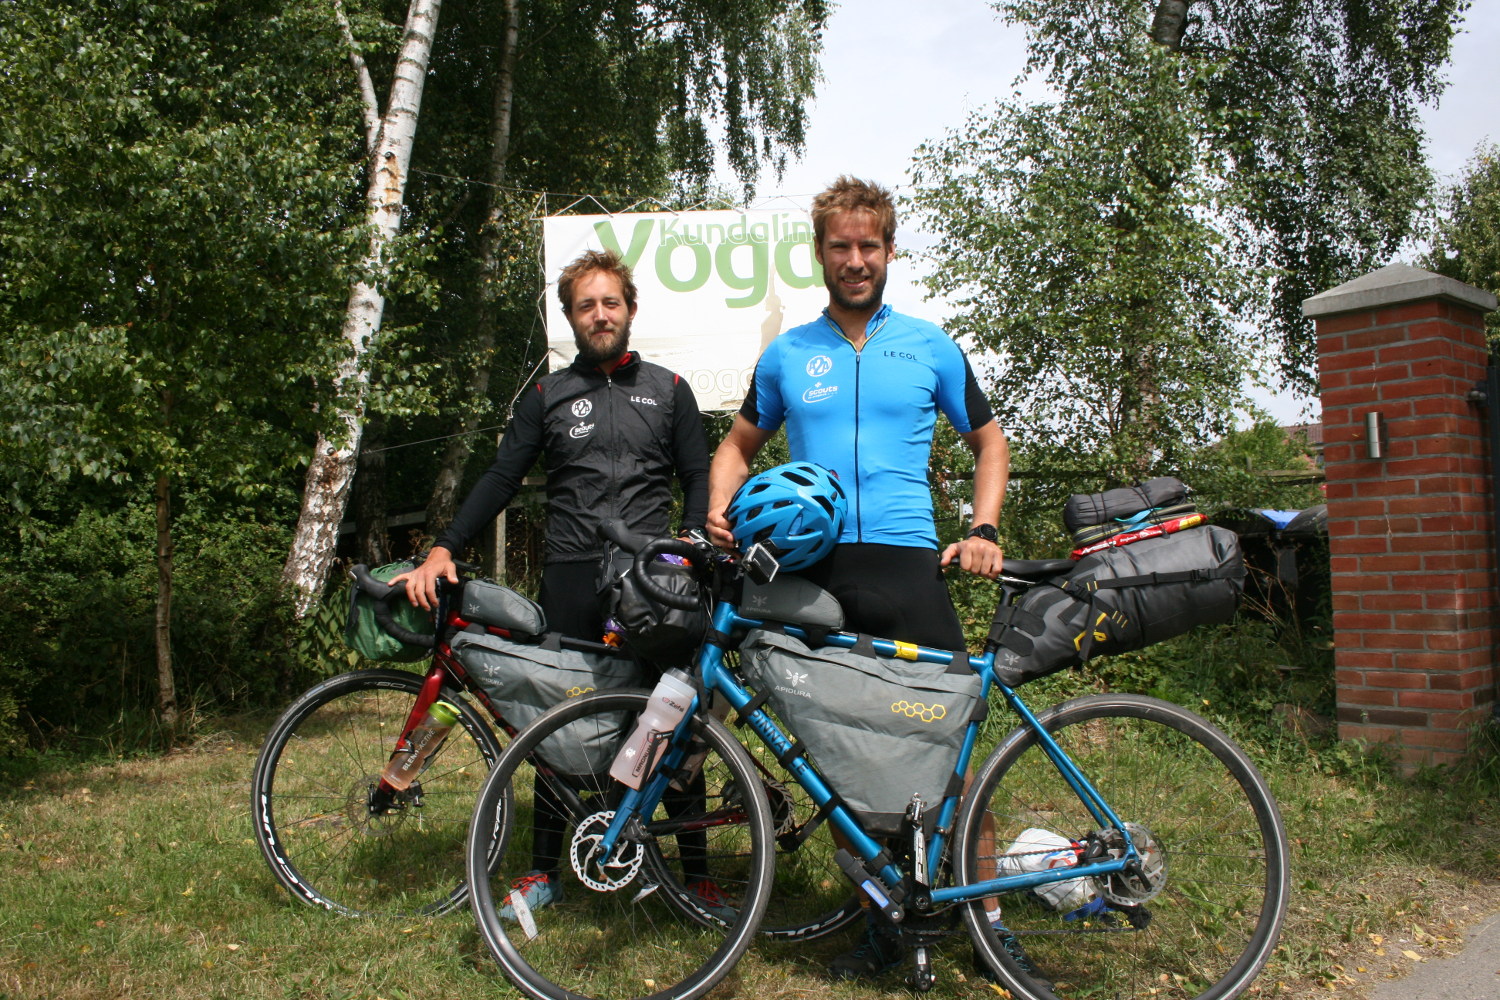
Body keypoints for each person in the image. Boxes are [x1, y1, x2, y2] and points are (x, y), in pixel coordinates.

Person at [705, 176, 1010, 980]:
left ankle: (987, 919)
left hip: (909, 558)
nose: (854, 260)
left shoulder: (930, 344)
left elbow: (990, 441)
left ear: (889, 250)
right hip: (819, 568)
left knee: (948, 745)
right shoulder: (788, 352)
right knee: (835, 750)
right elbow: (736, 446)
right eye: (840, 246)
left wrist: (983, 528)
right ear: (820, 253)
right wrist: (718, 510)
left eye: (868, 245)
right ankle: (882, 919)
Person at [395, 247, 714, 919]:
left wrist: (688, 548)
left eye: (611, 302)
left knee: (675, 719)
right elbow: (503, 477)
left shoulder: (671, 388)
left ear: (630, 309)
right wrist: (446, 547)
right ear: (570, 316)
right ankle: (545, 872)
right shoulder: (547, 394)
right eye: (585, 305)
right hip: (572, 576)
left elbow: (696, 476)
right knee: (553, 724)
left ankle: (696, 874)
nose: (600, 315)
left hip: (656, 580)